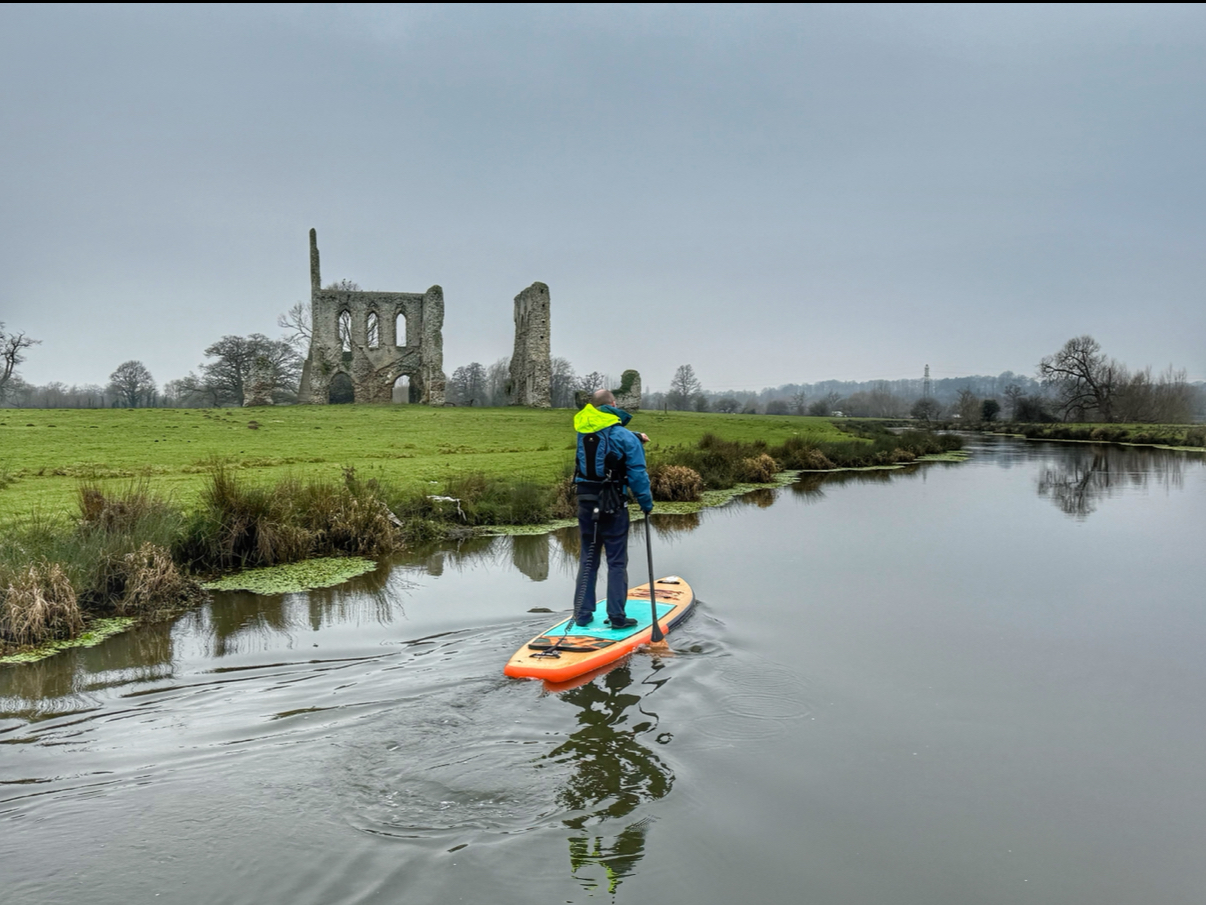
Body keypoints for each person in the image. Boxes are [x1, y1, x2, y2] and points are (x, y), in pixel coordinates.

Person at [571, 389, 653, 628]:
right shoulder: (625, 437)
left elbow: (605, 442)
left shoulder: (582, 431)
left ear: (594, 408)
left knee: (588, 558)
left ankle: (582, 614)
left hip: (586, 502)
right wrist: (646, 504)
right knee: (616, 561)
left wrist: (634, 436)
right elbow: (637, 474)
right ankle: (617, 616)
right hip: (613, 503)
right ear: (614, 405)